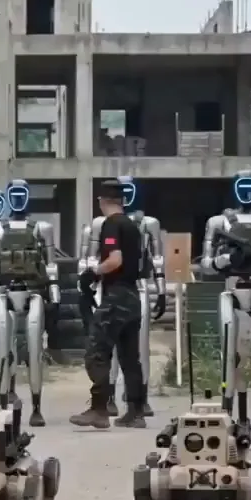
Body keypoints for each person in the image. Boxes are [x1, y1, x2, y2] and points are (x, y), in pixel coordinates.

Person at [70, 180, 145, 429]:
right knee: (129, 357)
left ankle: (99, 408)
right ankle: (136, 412)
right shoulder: (133, 226)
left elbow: (115, 259)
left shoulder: (111, 225)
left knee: (97, 350)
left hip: (117, 296)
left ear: (102, 201)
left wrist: (94, 272)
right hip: (133, 297)